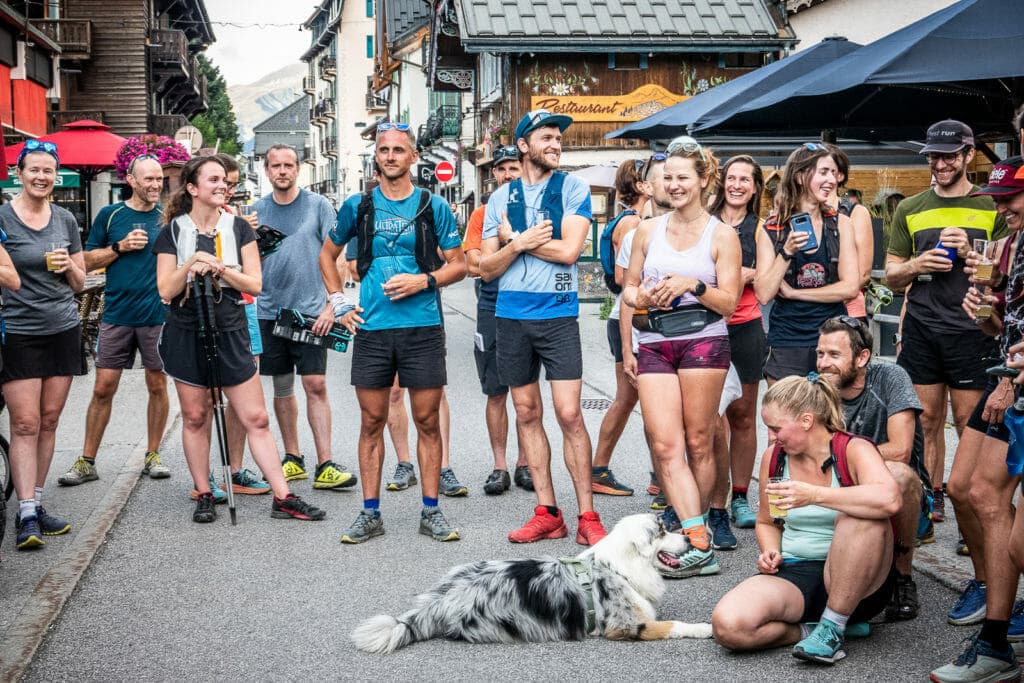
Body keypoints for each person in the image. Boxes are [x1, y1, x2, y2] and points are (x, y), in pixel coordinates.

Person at [153, 155, 325, 524]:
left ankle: (284, 496)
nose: (222, 186)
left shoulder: (238, 229)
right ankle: (203, 491)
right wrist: (191, 263)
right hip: (186, 327)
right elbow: (165, 288)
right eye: (213, 180)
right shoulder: (173, 231)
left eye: (224, 182)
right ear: (193, 188)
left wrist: (220, 268)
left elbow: (255, 284)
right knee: (196, 415)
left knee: (256, 417)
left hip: (230, 326)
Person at [322, 122, 467, 544]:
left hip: (422, 326)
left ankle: (431, 510)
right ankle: (370, 513)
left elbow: (459, 264)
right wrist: (339, 302)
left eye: (398, 150)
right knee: (372, 420)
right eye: (383, 150)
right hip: (373, 328)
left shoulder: (432, 205)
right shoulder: (358, 206)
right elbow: (327, 255)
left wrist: (424, 282)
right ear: (377, 158)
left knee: (426, 421)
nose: (389, 156)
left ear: (413, 157)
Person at [479, 109, 607, 546]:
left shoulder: (571, 187)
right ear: (524, 145)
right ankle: (548, 512)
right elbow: (485, 268)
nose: (555, 144)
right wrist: (518, 243)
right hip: (511, 317)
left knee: (570, 414)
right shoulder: (499, 198)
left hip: (557, 314)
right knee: (527, 413)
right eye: (547, 137)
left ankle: (588, 514)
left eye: (558, 138)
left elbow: (571, 250)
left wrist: (518, 243)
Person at [711, 374, 902, 665]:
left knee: (859, 512)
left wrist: (814, 495)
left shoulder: (853, 449)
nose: (772, 437)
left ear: (806, 421)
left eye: (776, 429)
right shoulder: (774, 457)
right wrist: (770, 550)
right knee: (729, 627)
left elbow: (889, 500)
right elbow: (767, 522)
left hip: (859, 578)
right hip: (797, 569)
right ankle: (815, 629)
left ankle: (835, 624)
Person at [621, 138, 741, 576]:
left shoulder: (722, 235)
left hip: (703, 339)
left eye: (682, 177)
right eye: (667, 177)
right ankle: (697, 540)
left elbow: (729, 303)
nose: (674, 184)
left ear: (703, 180)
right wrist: (645, 294)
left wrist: (693, 284)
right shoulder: (647, 231)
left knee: (698, 440)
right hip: (654, 338)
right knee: (665, 443)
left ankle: (700, 528)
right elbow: (628, 289)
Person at [884, 120, 1009, 529]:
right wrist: (917, 265)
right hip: (922, 324)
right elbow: (891, 275)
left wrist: (973, 255)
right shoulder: (911, 207)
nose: (940, 163)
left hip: (974, 329)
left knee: (969, 422)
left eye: (949, 155)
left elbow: (1004, 276)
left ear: (970, 155)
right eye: (934, 156)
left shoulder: (992, 205)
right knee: (925, 420)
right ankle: (930, 499)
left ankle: (968, 513)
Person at [931, 153, 1024, 683]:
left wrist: (1011, 380)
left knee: (988, 495)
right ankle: (998, 598)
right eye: (997, 199)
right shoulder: (1009, 244)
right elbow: (1000, 327)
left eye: (1010, 197)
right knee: (963, 487)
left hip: (1013, 382)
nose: (1002, 208)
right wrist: (983, 312)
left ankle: (994, 638)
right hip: (1003, 372)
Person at [59, 154, 170, 488]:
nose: (154, 185)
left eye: (159, 179)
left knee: (158, 385)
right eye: (148, 179)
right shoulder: (111, 215)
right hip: (118, 314)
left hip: (157, 315)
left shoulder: (169, 218)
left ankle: (153, 455)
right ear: (131, 180)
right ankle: (87, 460)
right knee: (103, 387)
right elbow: (86, 263)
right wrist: (119, 247)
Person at [253, 144, 356, 491]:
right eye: (275, 165)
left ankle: (325, 463)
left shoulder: (318, 206)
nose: (282, 171)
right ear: (266, 170)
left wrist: (333, 305)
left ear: (298, 169)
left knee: (316, 384)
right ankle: (293, 458)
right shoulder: (255, 211)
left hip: (313, 313)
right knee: (282, 386)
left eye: (288, 165)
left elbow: (337, 256)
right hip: (270, 313)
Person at [816, 316, 931, 621]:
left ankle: (903, 579)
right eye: (820, 354)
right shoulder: (814, 387)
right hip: (839, 479)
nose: (824, 363)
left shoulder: (890, 378)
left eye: (834, 355)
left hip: (888, 485)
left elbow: (901, 449)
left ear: (862, 356)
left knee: (901, 476)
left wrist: (849, 459)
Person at [2, 140, 84, 549]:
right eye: (33, 169)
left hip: (63, 328)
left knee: (49, 421)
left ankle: (34, 503)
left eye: (48, 171)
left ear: (56, 176)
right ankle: (26, 513)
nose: (41, 177)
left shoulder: (65, 219)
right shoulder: (2, 217)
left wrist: (70, 264)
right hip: (17, 330)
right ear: (20, 173)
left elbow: (81, 281)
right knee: (25, 423)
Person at [755, 142, 861, 383]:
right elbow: (763, 293)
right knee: (786, 416)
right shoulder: (773, 230)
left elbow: (850, 287)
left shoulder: (840, 224)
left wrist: (795, 294)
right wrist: (787, 251)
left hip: (833, 337)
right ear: (801, 176)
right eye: (824, 172)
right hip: (787, 339)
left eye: (834, 174)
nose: (832, 180)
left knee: (831, 416)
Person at [463, 144, 532, 495]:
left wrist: (501, 252)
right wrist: (517, 248)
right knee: (495, 391)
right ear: (494, 175)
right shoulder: (482, 213)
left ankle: (525, 464)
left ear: (523, 171)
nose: (507, 174)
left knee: (526, 391)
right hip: (491, 305)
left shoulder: (533, 209)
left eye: (513, 169)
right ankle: (499, 466)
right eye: (502, 169)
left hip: (527, 305)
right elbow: (476, 267)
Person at [707, 154, 766, 533]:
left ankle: (741, 496)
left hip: (745, 326)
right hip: (707, 325)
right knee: (706, 418)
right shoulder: (705, 222)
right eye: (732, 177)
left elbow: (770, 277)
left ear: (756, 188)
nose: (738, 184)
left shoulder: (761, 228)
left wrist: (751, 273)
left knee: (743, 415)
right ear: (722, 182)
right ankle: (713, 495)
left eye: (746, 179)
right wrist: (732, 274)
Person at [590, 157, 648, 498]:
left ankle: (654, 473)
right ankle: (599, 468)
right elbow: (623, 278)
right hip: (628, 317)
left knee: (631, 400)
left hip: (627, 317)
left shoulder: (632, 219)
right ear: (641, 185)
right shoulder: (633, 224)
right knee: (627, 399)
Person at [216, 153, 270, 498]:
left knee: (242, 395)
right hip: (209, 311)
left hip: (244, 308)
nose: (228, 189)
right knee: (205, 400)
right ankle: (205, 476)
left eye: (233, 184)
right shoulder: (186, 221)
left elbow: (252, 275)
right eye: (223, 182)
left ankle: (235, 470)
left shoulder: (235, 218)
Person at [828, 146, 874, 324]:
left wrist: (819, 299)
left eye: (828, 171)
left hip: (848, 313)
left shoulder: (856, 212)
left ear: (840, 175)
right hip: (805, 318)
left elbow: (863, 274)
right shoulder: (800, 214)